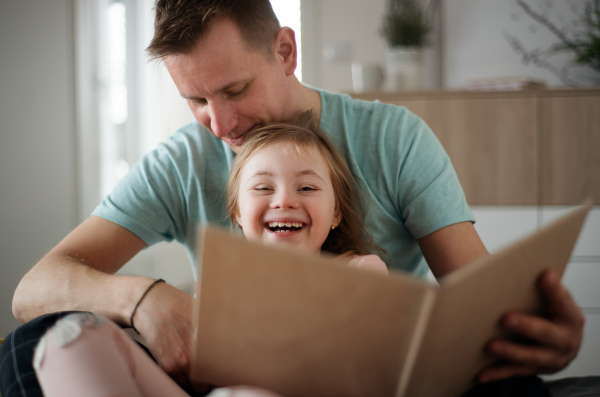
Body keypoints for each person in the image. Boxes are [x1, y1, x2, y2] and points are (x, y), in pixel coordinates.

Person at [0, 0, 584, 396]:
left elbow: (479, 303)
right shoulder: (180, 160)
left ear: (284, 51)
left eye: (234, 90)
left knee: (511, 384)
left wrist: (540, 340)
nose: (221, 124)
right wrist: (146, 300)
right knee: (32, 345)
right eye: (195, 101)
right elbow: (35, 288)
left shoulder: (394, 138)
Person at [32, 117, 388, 397]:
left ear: (337, 213)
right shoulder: (220, 284)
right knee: (70, 337)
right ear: (236, 213)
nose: (284, 201)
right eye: (263, 188)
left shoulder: (359, 272)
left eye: (307, 188)